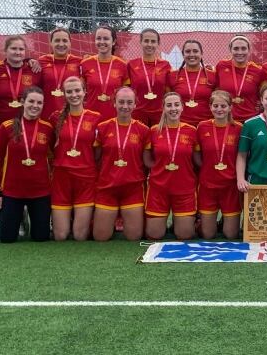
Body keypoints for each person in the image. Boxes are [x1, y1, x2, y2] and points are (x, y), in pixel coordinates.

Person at [0, 86, 54, 243]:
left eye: (39, 103)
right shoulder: (6, 127)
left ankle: (28, 214)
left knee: (41, 237)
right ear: (22, 102)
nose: (35, 106)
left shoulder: (47, 128)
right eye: (31, 101)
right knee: (6, 239)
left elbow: (53, 159)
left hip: (40, 192)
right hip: (12, 191)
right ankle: (19, 216)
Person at [92, 87, 151, 241]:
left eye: (129, 102)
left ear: (135, 104)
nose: (125, 106)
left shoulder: (143, 130)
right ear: (114, 103)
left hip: (132, 188)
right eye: (121, 102)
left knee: (134, 237)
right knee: (101, 237)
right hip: (107, 187)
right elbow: (96, 158)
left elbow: (146, 161)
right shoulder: (103, 127)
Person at [49, 76, 101, 241]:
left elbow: (98, 150)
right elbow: (50, 146)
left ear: (85, 92)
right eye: (69, 91)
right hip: (61, 177)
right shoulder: (55, 118)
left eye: (77, 90)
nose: (74, 94)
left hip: (85, 177)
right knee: (60, 236)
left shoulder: (96, 118)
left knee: (79, 236)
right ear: (64, 94)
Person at [144, 92, 200, 240]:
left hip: (184, 189)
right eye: (169, 105)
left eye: (176, 105)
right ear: (163, 108)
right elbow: (147, 158)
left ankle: (185, 222)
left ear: (182, 107)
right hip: (159, 188)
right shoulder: (154, 131)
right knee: (154, 235)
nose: (173, 108)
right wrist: (157, 168)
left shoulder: (192, 131)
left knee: (185, 235)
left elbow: (197, 161)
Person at [196, 90, 243, 240]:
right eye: (215, 105)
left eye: (223, 106)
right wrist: (205, 168)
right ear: (210, 107)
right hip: (208, 186)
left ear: (230, 107)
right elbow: (196, 154)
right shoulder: (202, 127)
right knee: (208, 235)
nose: (219, 109)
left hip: (230, 186)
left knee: (231, 235)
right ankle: (198, 222)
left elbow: (242, 156)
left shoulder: (239, 128)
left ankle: (226, 221)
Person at [0, 35, 43, 139]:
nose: (18, 52)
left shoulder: (34, 70)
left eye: (21, 49)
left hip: (26, 124)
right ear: (5, 49)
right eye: (13, 48)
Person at [80, 25, 129, 121]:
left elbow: (126, 94)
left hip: (114, 119)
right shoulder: (85, 63)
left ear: (113, 42)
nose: (102, 42)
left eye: (106, 39)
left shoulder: (123, 65)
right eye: (98, 38)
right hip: (90, 119)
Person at [127, 28, 172, 126]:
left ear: (158, 43)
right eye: (146, 41)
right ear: (141, 42)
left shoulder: (165, 65)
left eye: (153, 41)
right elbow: (127, 90)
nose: (149, 44)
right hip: (137, 114)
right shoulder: (131, 65)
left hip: (159, 115)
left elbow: (168, 92)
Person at [216, 36, 266, 122]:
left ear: (249, 50)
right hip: (226, 119)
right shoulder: (221, 66)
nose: (240, 52)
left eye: (243, 48)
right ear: (230, 49)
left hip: (250, 119)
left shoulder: (258, 70)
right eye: (236, 48)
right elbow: (215, 89)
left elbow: (264, 93)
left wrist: (261, 104)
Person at [38, 27, 83, 120]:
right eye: (57, 40)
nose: (61, 44)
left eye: (65, 41)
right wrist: (29, 60)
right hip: (47, 117)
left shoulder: (80, 62)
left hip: (71, 117)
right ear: (51, 43)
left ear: (70, 43)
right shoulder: (41, 61)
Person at [170, 40, 217, 126]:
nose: (191, 54)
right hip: (181, 125)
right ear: (183, 54)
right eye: (188, 51)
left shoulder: (212, 75)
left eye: (195, 51)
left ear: (201, 53)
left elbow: (218, 100)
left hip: (207, 125)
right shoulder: (173, 75)